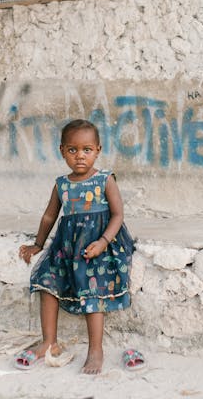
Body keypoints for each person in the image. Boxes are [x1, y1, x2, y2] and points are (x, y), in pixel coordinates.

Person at [17, 119, 134, 374]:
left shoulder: (105, 179)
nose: (80, 156)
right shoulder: (62, 184)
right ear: (62, 151)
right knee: (47, 282)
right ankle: (50, 342)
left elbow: (117, 215)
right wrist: (38, 244)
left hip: (99, 245)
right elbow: (50, 216)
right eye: (72, 150)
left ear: (97, 150)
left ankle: (96, 350)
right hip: (67, 247)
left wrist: (103, 242)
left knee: (93, 289)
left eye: (87, 150)